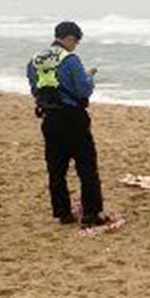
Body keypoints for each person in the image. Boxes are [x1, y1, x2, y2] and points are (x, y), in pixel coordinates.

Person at [26, 21, 109, 227]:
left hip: (50, 118)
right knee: (86, 167)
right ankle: (91, 213)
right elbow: (83, 91)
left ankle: (63, 213)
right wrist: (89, 78)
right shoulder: (70, 60)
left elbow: (34, 88)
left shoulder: (35, 60)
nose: (75, 46)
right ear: (70, 38)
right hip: (73, 118)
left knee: (56, 170)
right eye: (76, 42)